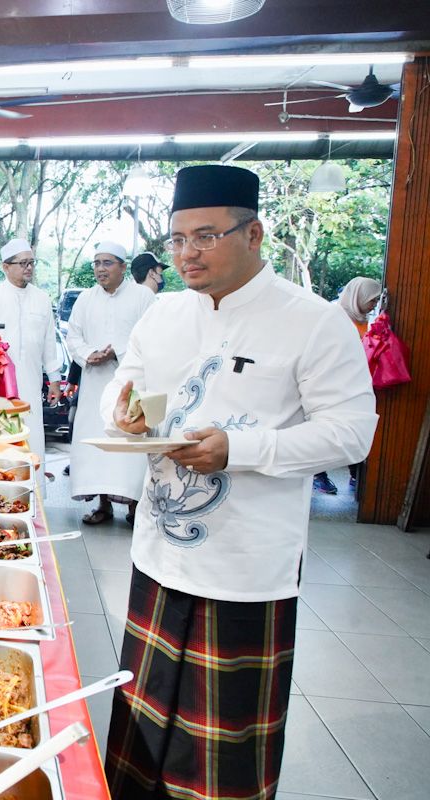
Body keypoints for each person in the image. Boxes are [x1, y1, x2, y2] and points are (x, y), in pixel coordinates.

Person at [100, 165, 377, 800]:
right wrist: (125, 406)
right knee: (138, 736)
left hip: (247, 567)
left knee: (221, 749)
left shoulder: (311, 320)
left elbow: (351, 433)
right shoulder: (165, 313)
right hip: (160, 551)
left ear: (254, 234)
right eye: (176, 239)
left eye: (205, 236)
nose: (186, 254)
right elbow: (131, 380)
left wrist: (242, 449)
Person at [67, 241, 156, 525]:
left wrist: (115, 351)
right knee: (97, 444)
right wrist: (88, 354)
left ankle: (134, 508)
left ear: (123, 267)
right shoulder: (86, 298)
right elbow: (73, 336)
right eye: (96, 263)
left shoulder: (143, 296)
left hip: (133, 381)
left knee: (130, 444)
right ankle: (103, 505)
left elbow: (153, 336)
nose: (100, 269)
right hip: (94, 383)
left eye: (107, 263)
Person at [0, 238, 61, 466]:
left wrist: (54, 380)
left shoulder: (42, 299)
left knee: (32, 438)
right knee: (1, 442)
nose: (29, 267)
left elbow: (49, 342)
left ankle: (33, 492)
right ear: (5, 266)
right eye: (23, 263)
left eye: (32, 262)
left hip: (31, 382)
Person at [311, 275, 382, 494]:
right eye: (372, 299)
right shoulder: (334, 318)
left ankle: (354, 477)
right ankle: (318, 476)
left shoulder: (367, 320)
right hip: (327, 385)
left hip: (356, 383)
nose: (373, 305)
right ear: (358, 296)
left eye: (376, 300)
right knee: (320, 430)